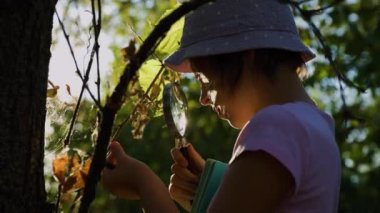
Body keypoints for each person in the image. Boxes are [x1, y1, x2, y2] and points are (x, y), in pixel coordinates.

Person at [101, 0, 341, 212]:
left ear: (244, 55)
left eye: (204, 79)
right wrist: (214, 187)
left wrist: (145, 185)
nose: (204, 98)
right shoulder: (317, 127)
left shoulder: (276, 127)